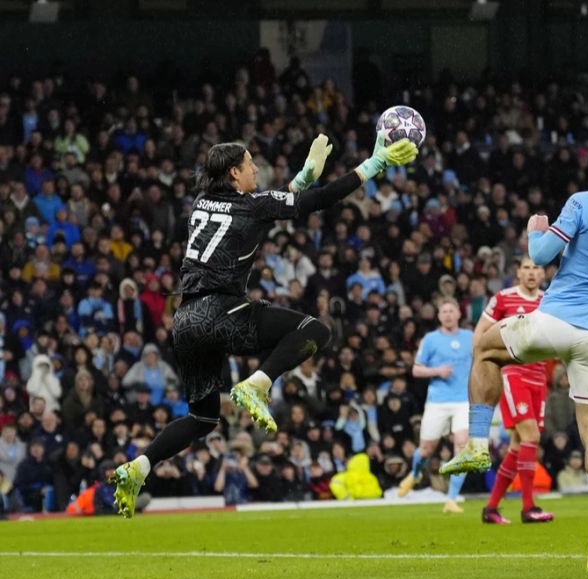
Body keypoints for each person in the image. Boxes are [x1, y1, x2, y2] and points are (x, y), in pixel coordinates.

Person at [110, 132, 418, 518]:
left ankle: (138, 467)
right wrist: (374, 165)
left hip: (185, 320)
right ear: (235, 172)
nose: (257, 168)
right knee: (316, 330)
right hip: (221, 311)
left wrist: (301, 179)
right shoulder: (250, 204)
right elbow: (310, 204)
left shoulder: (203, 202)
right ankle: (258, 384)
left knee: (202, 418)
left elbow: (260, 213)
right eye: (251, 163)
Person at [441, 132, 588, 571]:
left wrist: (533, 230)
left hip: (556, 320)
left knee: (482, 347)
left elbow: (541, 254)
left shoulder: (583, 201)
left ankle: (478, 442)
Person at [475, 257, 554, 524]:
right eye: (527, 268)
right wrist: (483, 368)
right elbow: (481, 334)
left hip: (539, 376)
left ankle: (491, 508)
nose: (531, 273)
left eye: (536, 268)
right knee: (530, 435)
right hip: (513, 373)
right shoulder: (503, 298)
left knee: (518, 444)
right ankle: (528, 506)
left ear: (543, 273)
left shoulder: (550, 300)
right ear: (518, 272)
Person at [397, 298, 473, 514]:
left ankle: (451, 498)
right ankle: (415, 473)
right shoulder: (430, 339)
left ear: (459, 314)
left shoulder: (470, 337)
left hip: (463, 400)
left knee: (462, 445)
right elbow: (416, 370)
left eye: (452, 310)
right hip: (438, 401)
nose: (448, 314)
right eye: (444, 311)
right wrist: (437, 371)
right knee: (426, 449)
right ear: (439, 316)